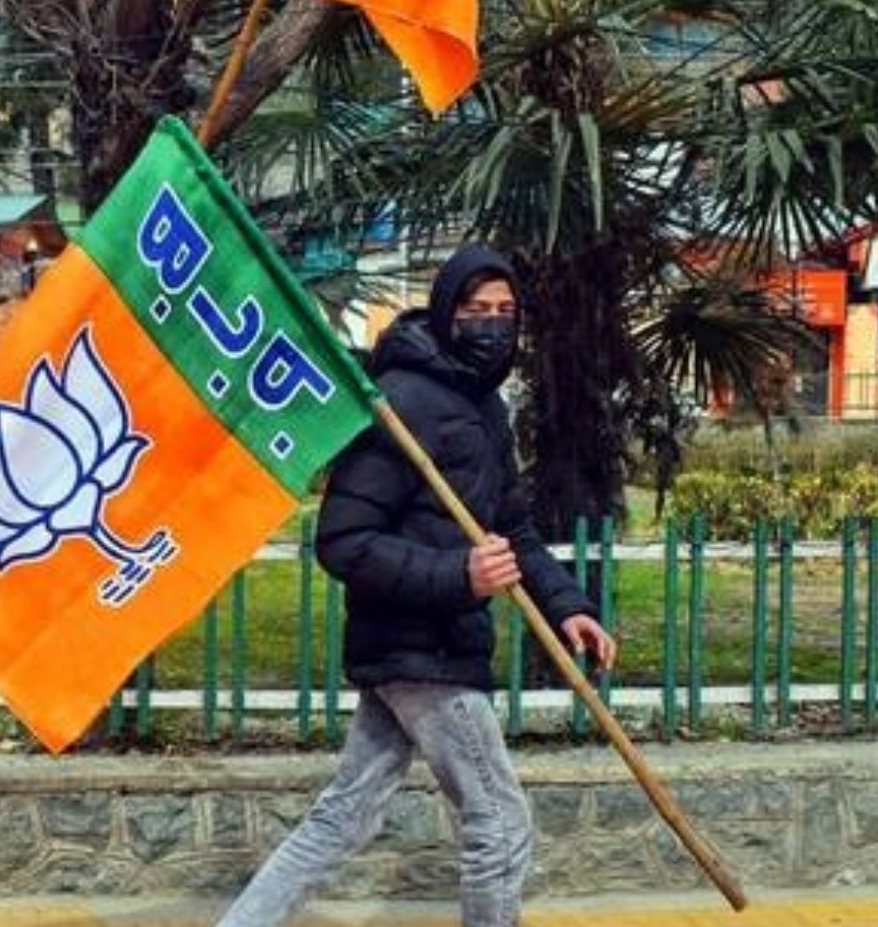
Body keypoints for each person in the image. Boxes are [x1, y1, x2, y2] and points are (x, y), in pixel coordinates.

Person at [219, 245, 617, 927]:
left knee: (344, 815)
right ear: (445, 312)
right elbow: (343, 540)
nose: (493, 324)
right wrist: (458, 575)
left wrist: (566, 606)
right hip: (421, 649)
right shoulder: (401, 404)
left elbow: (512, 530)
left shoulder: (483, 406)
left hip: (427, 646)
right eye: (476, 310)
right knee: (499, 818)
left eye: (506, 311)